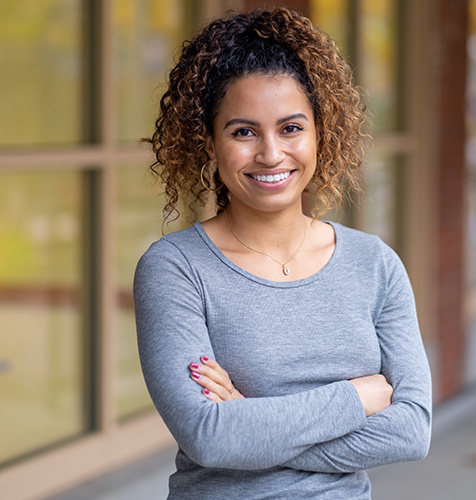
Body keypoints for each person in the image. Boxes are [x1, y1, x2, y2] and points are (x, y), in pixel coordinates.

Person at [134, 7, 432, 500]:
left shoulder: (374, 264)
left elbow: (411, 432)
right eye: (243, 132)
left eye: (291, 128)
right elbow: (208, 437)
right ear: (208, 142)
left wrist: (249, 424)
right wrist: (357, 398)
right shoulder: (175, 269)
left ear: (320, 132)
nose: (271, 154)